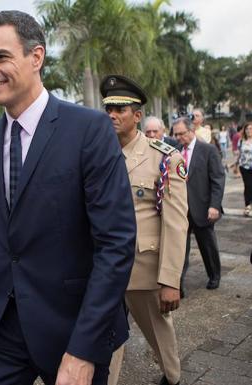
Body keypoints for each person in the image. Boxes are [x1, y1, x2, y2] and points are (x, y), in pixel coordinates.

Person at [0, 11, 136, 385]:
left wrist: (84, 349)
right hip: (3, 328)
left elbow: (116, 243)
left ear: (37, 57)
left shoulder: (89, 128)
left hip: (74, 326)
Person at [101, 75, 188, 385]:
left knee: (159, 332)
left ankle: (172, 378)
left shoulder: (164, 158)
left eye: (120, 109)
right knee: (103, 337)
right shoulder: (98, 152)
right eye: (108, 108)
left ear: (136, 116)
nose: (112, 114)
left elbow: (176, 223)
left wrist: (170, 280)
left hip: (145, 267)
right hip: (105, 268)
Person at [173, 117, 225, 292]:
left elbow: (218, 179)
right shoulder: (175, 151)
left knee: (207, 246)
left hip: (203, 208)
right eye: (176, 134)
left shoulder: (208, 150)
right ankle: (178, 284)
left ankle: (214, 275)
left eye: (182, 134)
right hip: (181, 209)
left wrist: (214, 205)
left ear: (191, 131)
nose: (179, 137)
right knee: (180, 249)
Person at [237, 122, 252, 216]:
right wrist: (235, 165)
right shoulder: (241, 141)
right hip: (244, 167)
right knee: (248, 186)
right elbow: (239, 154)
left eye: (250, 129)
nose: (249, 131)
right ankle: (247, 206)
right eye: (247, 129)